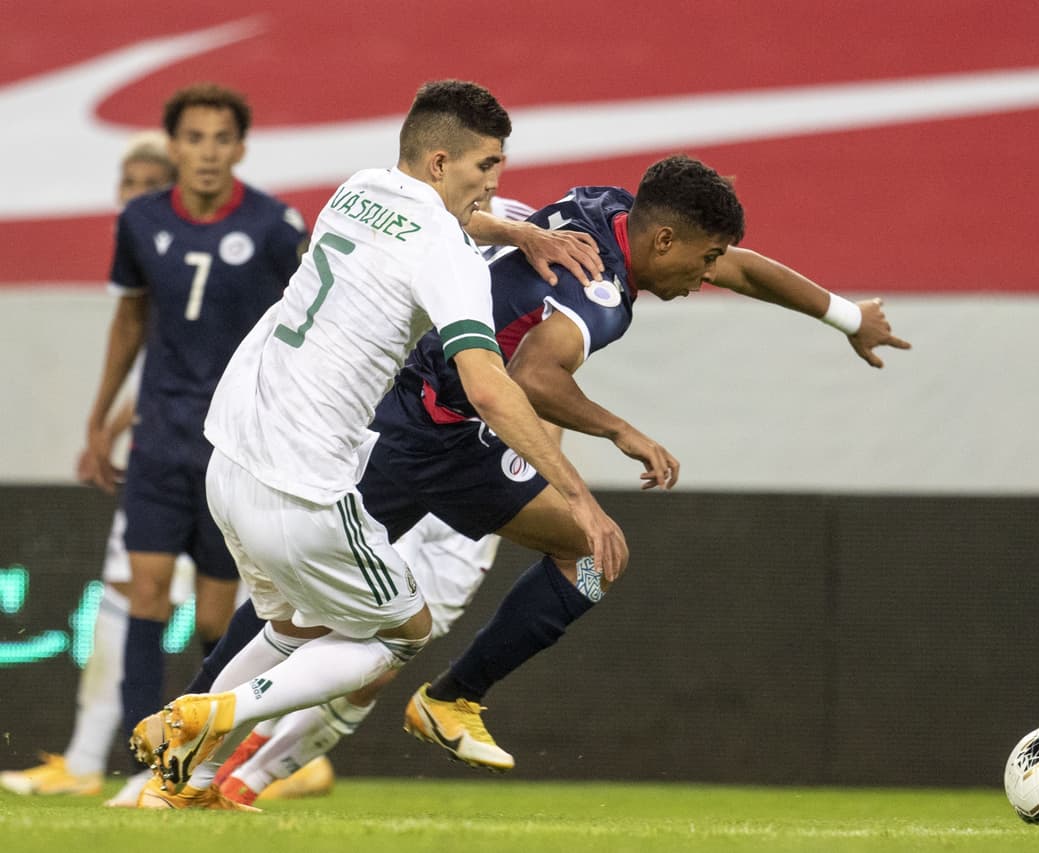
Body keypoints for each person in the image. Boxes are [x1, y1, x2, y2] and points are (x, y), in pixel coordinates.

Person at [200, 154, 909, 805]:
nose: (706, 277)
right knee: (312, 607)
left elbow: (746, 270)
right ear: (665, 243)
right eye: (704, 260)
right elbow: (534, 374)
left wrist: (846, 316)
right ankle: (204, 746)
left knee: (586, 558)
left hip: (456, 434)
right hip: (428, 433)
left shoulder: (609, 208)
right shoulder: (599, 296)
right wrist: (621, 431)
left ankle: (437, 700)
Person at [127, 79, 626, 811]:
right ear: (437, 161)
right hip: (303, 480)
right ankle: (213, 715)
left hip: (229, 456)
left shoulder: (357, 190)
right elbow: (488, 386)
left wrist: (517, 231)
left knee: (299, 624)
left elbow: (447, 229)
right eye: (484, 167)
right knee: (401, 631)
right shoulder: (446, 254)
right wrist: (578, 495)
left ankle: (182, 781)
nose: (495, 185)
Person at [79, 85, 311, 775]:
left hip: (235, 447)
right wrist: (99, 420)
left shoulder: (275, 227)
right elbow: (130, 319)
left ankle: (198, 745)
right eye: (194, 138)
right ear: (172, 145)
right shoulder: (140, 220)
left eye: (220, 139)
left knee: (217, 618)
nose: (207, 153)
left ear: (240, 148)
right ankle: (142, 754)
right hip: (160, 440)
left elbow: (302, 329)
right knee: (145, 590)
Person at [0, 132, 188, 801]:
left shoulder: (183, 261)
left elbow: (184, 365)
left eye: (146, 183)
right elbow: (160, 364)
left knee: (222, 610)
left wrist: (111, 425)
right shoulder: (149, 261)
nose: (131, 195)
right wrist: (111, 426)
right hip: (163, 456)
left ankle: (259, 756)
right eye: (126, 180)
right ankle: (89, 760)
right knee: (128, 598)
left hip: (201, 462)